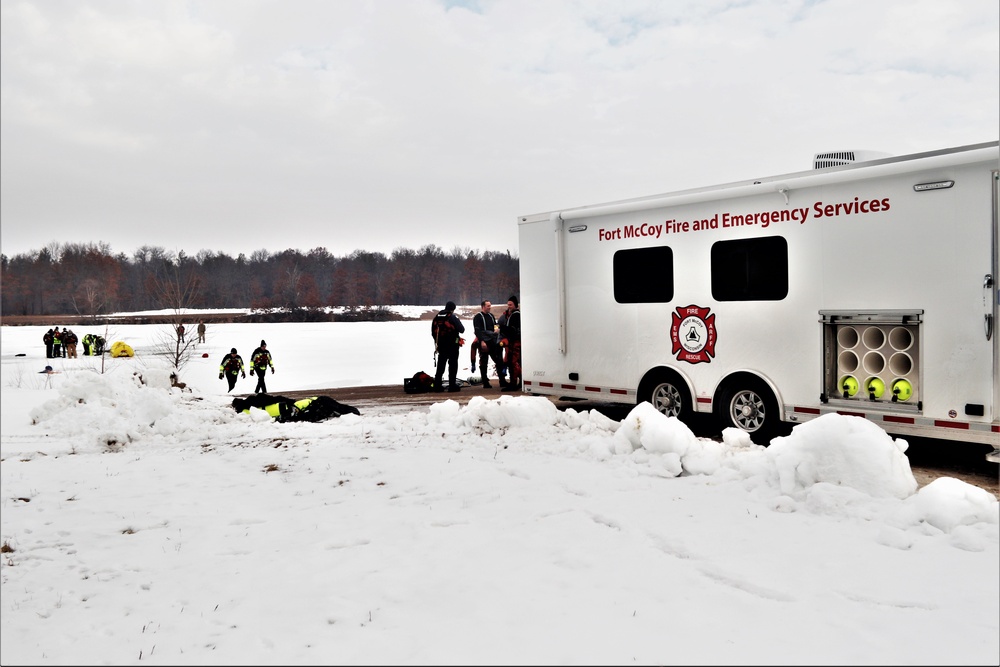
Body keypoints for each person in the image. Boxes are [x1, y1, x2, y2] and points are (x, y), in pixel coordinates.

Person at [431, 301, 465, 392]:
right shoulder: (452, 317)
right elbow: (462, 329)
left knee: (441, 364)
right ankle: (452, 385)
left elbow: (433, 332)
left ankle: (437, 385)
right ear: (453, 309)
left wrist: (437, 342)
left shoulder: (437, 317)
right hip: (453, 345)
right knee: (453, 364)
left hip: (441, 345)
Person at [471, 300, 506, 389]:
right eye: (488, 306)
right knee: (484, 362)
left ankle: (502, 380)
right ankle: (485, 382)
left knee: (498, 360)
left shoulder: (491, 316)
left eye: (490, 305)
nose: (490, 307)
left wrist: (497, 329)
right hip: (484, 341)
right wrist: (482, 341)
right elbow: (477, 331)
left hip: (493, 340)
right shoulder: (478, 317)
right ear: (483, 306)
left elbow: (495, 325)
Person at [500, 295, 522, 392]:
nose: (509, 306)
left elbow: (513, 330)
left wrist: (502, 328)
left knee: (513, 363)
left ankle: (514, 383)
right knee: (513, 363)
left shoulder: (516, 315)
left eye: (511, 304)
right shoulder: (512, 314)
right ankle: (518, 382)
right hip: (513, 342)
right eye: (508, 304)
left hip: (515, 343)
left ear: (515, 305)